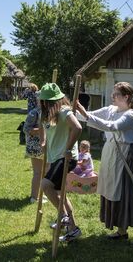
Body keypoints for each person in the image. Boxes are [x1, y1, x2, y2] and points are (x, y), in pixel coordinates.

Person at [76, 81, 133, 249]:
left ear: (126, 97)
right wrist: (75, 109)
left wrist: (85, 115)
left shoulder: (132, 115)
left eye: (116, 94)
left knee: (130, 194)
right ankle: (122, 231)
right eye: (113, 94)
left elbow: (112, 126)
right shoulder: (110, 110)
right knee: (113, 192)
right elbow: (87, 116)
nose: (112, 97)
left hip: (126, 157)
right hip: (111, 155)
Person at [39, 82, 82, 243]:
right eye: (43, 101)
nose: (44, 103)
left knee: (45, 185)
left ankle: (63, 217)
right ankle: (73, 229)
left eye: (47, 101)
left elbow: (77, 128)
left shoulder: (64, 111)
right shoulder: (47, 113)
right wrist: (43, 141)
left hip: (66, 157)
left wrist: (68, 148)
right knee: (59, 194)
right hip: (55, 157)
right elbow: (42, 125)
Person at [23, 91, 48, 203]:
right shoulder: (34, 113)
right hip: (36, 147)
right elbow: (26, 129)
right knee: (38, 172)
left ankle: (41, 194)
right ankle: (34, 197)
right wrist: (43, 130)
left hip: (47, 146)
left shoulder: (50, 112)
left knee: (46, 172)